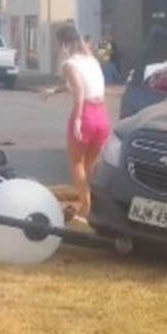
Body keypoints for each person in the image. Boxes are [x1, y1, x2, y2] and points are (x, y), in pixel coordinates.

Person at [47, 25, 111, 223]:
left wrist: (77, 119)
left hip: (86, 114)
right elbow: (84, 86)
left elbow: (80, 92)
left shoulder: (69, 64)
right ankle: (90, 199)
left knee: (76, 162)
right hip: (102, 115)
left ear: (63, 43)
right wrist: (55, 91)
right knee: (89, 165)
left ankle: (85, 206)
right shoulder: (92, 60)